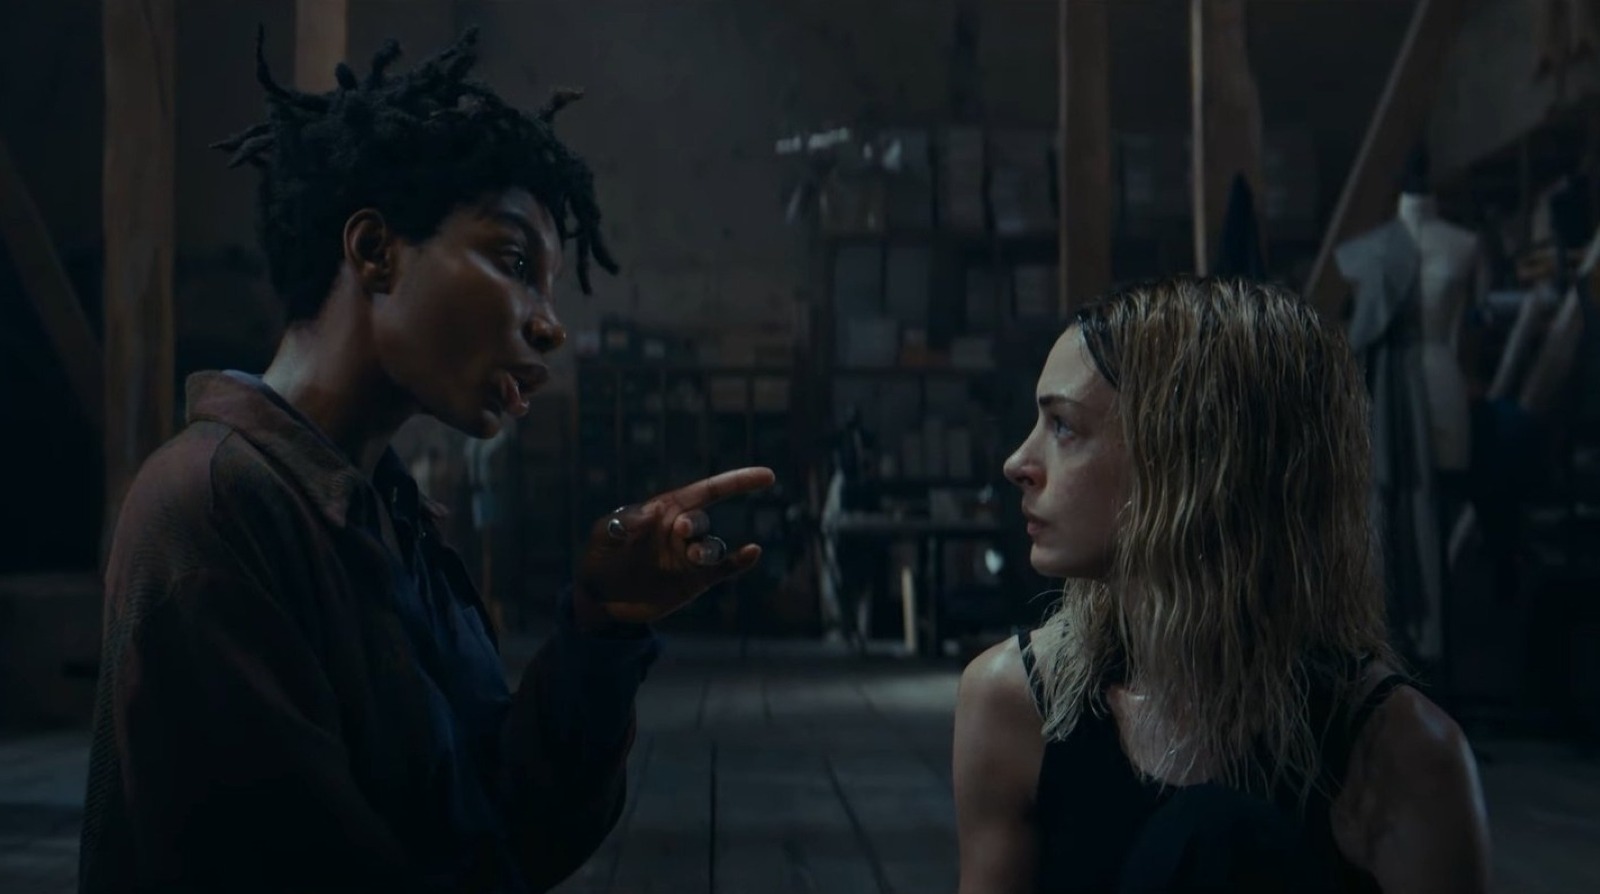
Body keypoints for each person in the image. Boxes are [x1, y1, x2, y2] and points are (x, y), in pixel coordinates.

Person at [78, 29, 772, 894]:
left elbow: (504, 821)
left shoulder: (392, 521)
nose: (551, 325)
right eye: (514, 262)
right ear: (375, 250)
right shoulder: (212, 507)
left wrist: (601, 627)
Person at [953, 277, 1491, 893]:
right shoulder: (1014, 704)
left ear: (1191, 460)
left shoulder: (1401, 754)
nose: (1018, 463)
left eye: (1064, 427)